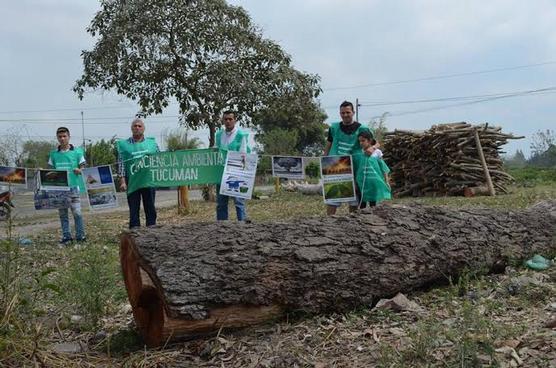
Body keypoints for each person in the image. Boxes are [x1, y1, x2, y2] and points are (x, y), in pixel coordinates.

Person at [323, 101, 373, 215]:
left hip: (355, 165)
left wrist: (372, 148)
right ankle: (329, 223)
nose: (345, 115)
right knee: (333, 196)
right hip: (335, 163)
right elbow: (329, 143)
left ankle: (352, 223)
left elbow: (375, 143)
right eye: (342, 113)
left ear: (353, 112)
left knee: (354, 197)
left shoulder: (362, 128)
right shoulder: (334, 127)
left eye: (348, 112)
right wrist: (324, 158)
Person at [117, 118, 159, 228]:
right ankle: (135, 231)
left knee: (150, 206)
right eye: (135, 126)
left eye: (139, 126)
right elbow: (121, 164)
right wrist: (122, 182)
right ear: (131, 128)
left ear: (144, 128)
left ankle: (152, 228)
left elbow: (160, 160)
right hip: (132, 182)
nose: (137, 128)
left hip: (148, 181)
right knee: (134, 208)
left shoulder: (152, 144)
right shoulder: (124, 145)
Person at [48, 127, 86, 244]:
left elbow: (83, 166)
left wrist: (80, 170)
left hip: (74, 187)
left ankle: (80, 236)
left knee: (77, 213)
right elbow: (50, 169)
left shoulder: (78, 151)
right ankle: (66, 237)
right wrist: (43, 172)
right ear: (57, 138)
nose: (62, 139)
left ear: (69, 137)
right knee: (63, 214)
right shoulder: (53, 154)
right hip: (59, 188)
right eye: (60, 137)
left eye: (64, 136)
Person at [215, 110, 250, 221]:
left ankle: (242, 224)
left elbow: (243, 154)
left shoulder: (241, 135)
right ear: (223, 120)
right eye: (225, 119)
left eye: (230, 119)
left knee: (239, 201)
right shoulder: (219, 135)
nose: (228, 121)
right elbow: (216, 150)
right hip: (221, 173)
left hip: (236, 172)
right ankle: (222, 226)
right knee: (221, 203)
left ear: (235, 120)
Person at [353, 130, 391, 209]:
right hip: (362, 182)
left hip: (373, 182)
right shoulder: (359, 153)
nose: (361, 143)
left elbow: (383, 167)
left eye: (363, 141)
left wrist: (386, 181)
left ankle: (372, 219)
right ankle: (361, 219)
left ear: (369, 140)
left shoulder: (377, 152)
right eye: (359, 141)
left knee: (373, 204)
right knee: (361, 203)